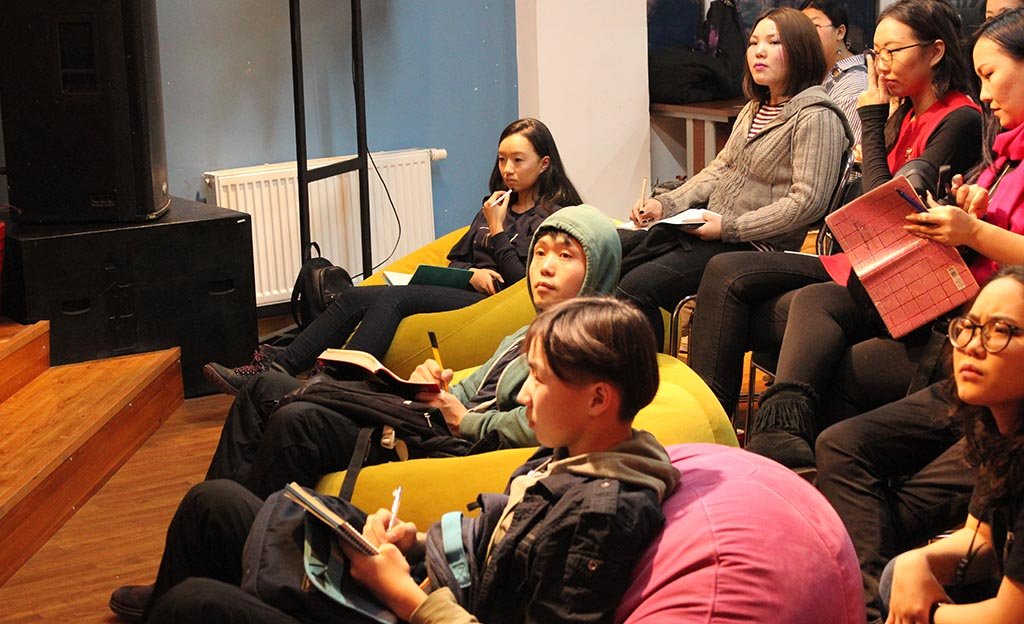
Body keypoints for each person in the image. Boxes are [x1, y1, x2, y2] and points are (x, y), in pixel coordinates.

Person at [110, 297, 680, 623]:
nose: (525, 394)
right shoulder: (568, 454)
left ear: (598, 399)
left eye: (539, 379)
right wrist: (413, 542)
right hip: (419, 578)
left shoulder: (600, 517)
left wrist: (402, 593)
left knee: (194, 606)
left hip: (408, 608)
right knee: (211, 504)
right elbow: (494, 542)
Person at [687, 0, 984, 468]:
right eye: (877, 53)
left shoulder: (959, 118)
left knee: (754, 288)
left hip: (905, 278)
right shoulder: (904, 112)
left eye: (893, 52)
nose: (881, 65)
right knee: (731, 279)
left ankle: (744, 434)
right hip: (865, 262)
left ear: (935, 52)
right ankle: (721, 433)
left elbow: (883, 210)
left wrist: (871, 120)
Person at [817, 10, 1024, 622]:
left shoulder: (956, 118)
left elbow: (878, 194)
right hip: (967, 328)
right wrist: (975, 210)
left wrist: (975, 230)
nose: (984, 93)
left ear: (933, 52)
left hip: (982, 338)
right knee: (796, 307)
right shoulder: (1002, 153)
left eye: (993, 74)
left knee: (877, 480)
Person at [203, 205, 623, 500]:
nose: (545, 266)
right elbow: (472, 387)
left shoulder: (584, 347)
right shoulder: (525, 333)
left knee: (299, 420)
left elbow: (539, 425)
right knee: (262, 388)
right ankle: (221, 529)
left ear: (596, 269)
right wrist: (436, 386)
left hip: (443, 442)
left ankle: (241, 541)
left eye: (565, 255)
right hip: (426, 416)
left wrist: (465, 420)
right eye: (541, 253)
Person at [204, 117, 582, 395]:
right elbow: (458, 256)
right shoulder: (496, 203)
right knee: (352, 297)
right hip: (467, 288)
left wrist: (497, 230)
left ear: (544, 164)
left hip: (493, 303)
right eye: (502, 160)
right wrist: (469, 273)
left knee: (394, 299)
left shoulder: (552, 217)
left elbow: (523, 282)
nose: (507, 170)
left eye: (518, 161)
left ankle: (332, 381)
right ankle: (276, 368)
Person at [616, 7, 852, 346]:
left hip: (754, 245)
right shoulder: (754, 108)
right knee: (614, 257)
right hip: (716, 232)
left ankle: (648, 373)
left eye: (773, 42)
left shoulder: (816, 116)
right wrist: (665, 204)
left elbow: (807, 202)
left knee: (634, 289)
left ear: (801, 50)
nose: (759, 51)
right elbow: (720, 169)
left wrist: (730, 228)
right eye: (753, 42)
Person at [870, 266, 1024, 624]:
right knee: (898, 573)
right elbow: (980, 536)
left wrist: (925, 613)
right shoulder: (999, 427)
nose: (972, 345)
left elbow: (1011, 615)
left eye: (1001, 330)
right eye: (970, 326)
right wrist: (918, 561)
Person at [800, 0, 868, 142]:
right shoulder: (815, 75)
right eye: (802, 28)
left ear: (840, 32)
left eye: (814, 26)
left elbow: (853, 150)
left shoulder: (854, 86)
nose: (805, 35)